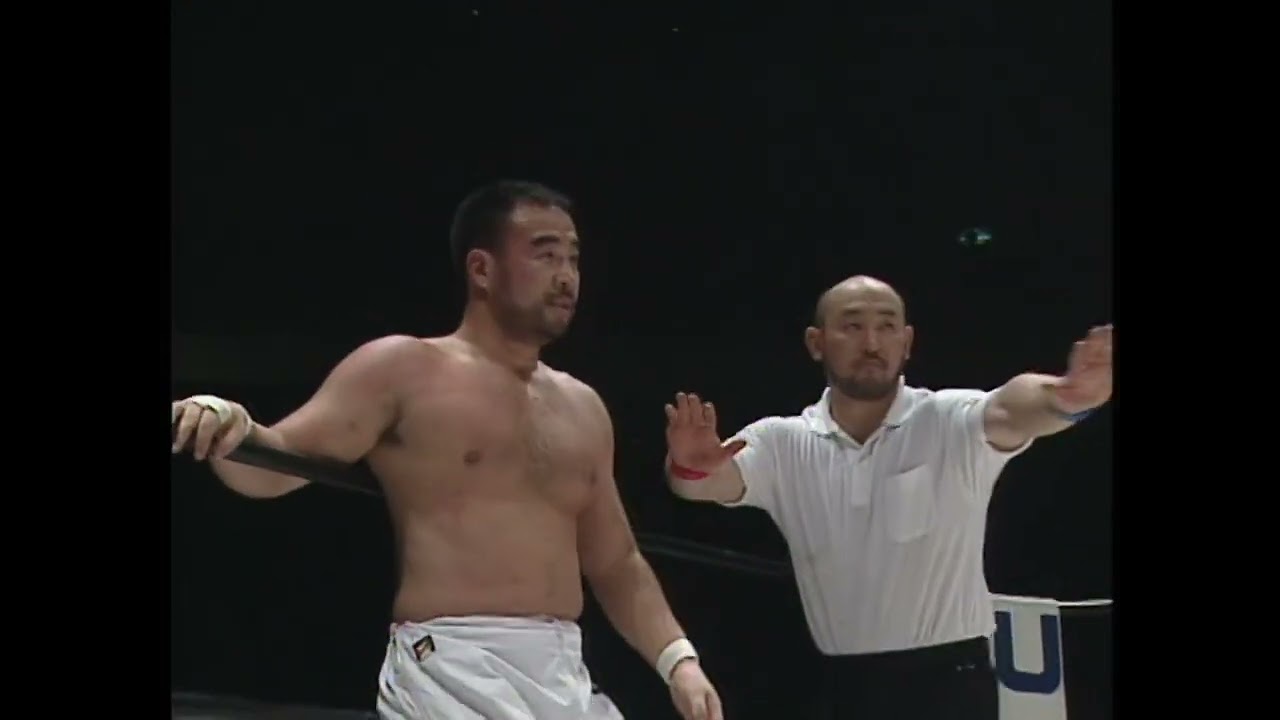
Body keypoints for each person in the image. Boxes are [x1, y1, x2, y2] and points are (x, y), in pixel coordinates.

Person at [171, 180, 724, 720]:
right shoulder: (405, 369)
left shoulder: (583, 407)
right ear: (481, 268)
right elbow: (278, 461)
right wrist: (228, 425)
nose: (566, 277)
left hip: (562, 669)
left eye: (573, 259)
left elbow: (616, 561)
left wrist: (678, 660)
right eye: (545, 254)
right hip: (453, 666)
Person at [662, 275, 1112, 720]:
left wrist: (1066, 397)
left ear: (907, 341)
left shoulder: (949, 420)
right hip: (843, 685)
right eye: (852, 326)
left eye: (887, 326)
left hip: (950, 682)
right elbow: (702, 483)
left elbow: (1012, 406)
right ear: (817, 342)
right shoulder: (783, 442)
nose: (872, 342)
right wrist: (690, 465)